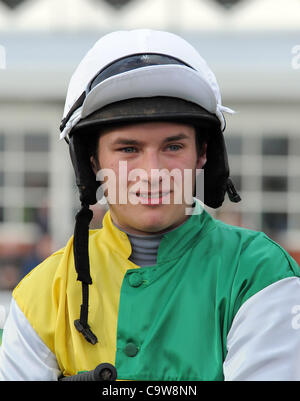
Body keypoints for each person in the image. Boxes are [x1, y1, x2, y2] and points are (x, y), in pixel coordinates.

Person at [0, 29, 299, 381]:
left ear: (202, 154)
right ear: (93, 162)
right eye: (128, 149)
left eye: (173, 147)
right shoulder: (42, 290)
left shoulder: (259, 272)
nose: (153, 173)